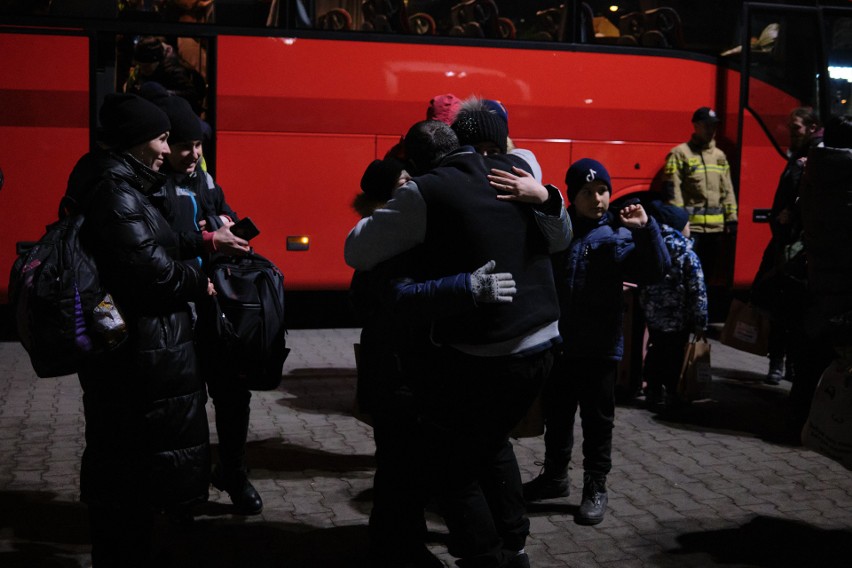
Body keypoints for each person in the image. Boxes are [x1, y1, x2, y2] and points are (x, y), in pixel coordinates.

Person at [345, 118, 570, 568]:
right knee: (489, 445)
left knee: (452, 466)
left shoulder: (424, 194)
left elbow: (357, 251)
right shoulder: (514, 168)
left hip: (489, 353)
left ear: (414, 163)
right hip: (544, 341)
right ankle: (514, 546)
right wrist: (548, 196)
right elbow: (559, 238)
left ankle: (487, 557)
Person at [66, 93, 214, 566]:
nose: (166, 149)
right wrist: (198, 280)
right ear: (135, 141)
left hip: (138, 351)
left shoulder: (119, 182)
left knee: (132, 468)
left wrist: (199, 240)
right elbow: (151, 274)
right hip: (136, 353)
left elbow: (152, 242)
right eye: (162, 138)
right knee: (130, 473)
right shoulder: (115, 191)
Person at [522, 158, 669, 527]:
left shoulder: (617, 236)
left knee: (597, 421)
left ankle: (595, 486)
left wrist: (645, 230)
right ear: (572, 196)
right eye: (587, 192)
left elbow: (656, 270)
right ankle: (555, 477)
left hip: (600, 348)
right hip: (557, 345)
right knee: (557, 415)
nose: (597, 198)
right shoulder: (559, 232)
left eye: (602, 190)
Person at [142, 89, 265, 515]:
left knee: (234, 394)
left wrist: (226, 221)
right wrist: (207, 239)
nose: (192, 154)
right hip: (177, 310)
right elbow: (160, 244)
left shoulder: (204, 179)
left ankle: (234, 473)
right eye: (183, 146)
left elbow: (219, 209)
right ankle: (186, 491)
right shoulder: (152, 184)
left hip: (214, 306)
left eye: (197, 145)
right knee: (186, 407)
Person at [790, 114, 852, 437]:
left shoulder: (814, 169)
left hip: (817, 280)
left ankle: (796, 421)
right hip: (844, 288)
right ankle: (831, 432)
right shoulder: (846, 176)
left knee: (809, 361)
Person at [751, 107, 822, 385]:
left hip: (793, 244)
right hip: (785, 240)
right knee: (782, 304)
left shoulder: (813, 157)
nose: (792, 133)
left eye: (797, 128)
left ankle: (784, 364)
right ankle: (780, 362)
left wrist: (791, 214)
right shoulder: (799, 155)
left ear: (812, 127)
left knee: (789, 307)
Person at [639, 199, 708, 411]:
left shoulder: (652, 248)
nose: (690, 228)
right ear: (678, 227)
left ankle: (652, 390)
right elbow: (698, 291)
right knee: (675, 356)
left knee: (656, 349)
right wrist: (700, 321)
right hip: (680, 319)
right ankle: (672, 393)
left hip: (655, 317)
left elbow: (644, 284)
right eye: (687, 224)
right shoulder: (688, 254)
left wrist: (647, 310)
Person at [663, 106, 738, 285]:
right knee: (688, 275)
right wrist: (679, 223)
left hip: (716, 231)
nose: (711, 130)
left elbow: (727, 189)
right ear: (695, 126)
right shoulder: (680, 153)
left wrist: (732, 219)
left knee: (709, 276)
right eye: (706, 125)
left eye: (713, 126)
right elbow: (673, 191)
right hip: (692, 230)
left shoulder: (720, 156)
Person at [124, 35, 208, 117]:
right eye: (140, 65)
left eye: (146, 67)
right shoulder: (140, 70)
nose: (142, 70)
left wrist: (163, 94)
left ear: (157, 61)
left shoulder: (174, 70)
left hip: (176, 115)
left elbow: (191, 94)